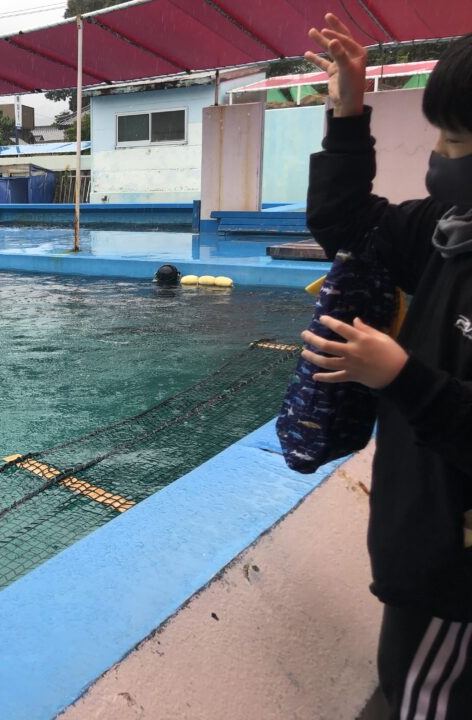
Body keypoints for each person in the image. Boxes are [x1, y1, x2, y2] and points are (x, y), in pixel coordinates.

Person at [300, 13, 472, 718]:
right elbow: (349, 226)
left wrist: (401, 377)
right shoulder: (448, 231)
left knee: (424, 698)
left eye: (456, 141)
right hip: (422, 545)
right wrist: (348, 115)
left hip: (457, 581)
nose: (438, 156)